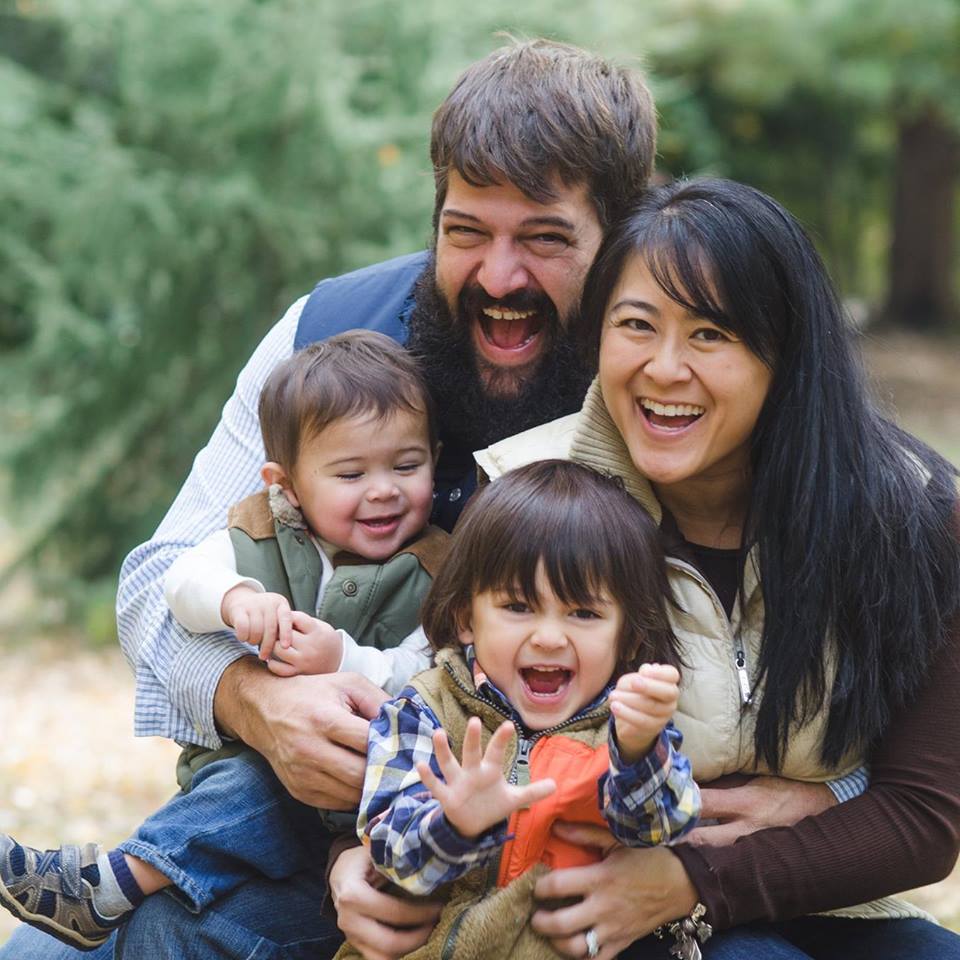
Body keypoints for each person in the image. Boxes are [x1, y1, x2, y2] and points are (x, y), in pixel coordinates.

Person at [0, 37, 660, 960]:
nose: (500, 279)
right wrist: (250, 701)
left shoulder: (663, 377)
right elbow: (157, 581)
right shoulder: (326, 333)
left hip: (551, 879)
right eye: (466, 231)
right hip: (293, 845)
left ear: (620, 237)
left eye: (545, 239)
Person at [473, 177, 960, 958]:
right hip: (597, 911)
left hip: (834, 903)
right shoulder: (529, 501)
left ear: (785, 354)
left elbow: (925, 819)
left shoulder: (910, 512)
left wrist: (714, 870)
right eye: (637, 324)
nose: (665, 369)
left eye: (710, 335)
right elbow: (443, 717)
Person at [0, 331, 451, 951]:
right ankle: (111, 890)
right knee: (249, 784)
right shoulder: (256, 531)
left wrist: (345, 661)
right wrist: (235, 599)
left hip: (367, 800)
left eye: (407, 466)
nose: (383, 489)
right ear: (286, 484)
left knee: (259, 799)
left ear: (435, 456)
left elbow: (429, 671)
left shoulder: (439, 569)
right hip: (251, 779)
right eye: (350, 473)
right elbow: (179, 580)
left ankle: (110, 887)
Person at [337, 460, 700, 959]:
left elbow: (661, 829)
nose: (549, 637)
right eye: (518, 607)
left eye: (584, 613)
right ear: (466, 618)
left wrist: (638, 751)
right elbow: (390, 852)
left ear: (629, 635)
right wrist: (456, 822)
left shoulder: (628, 727)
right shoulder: (424, 710)